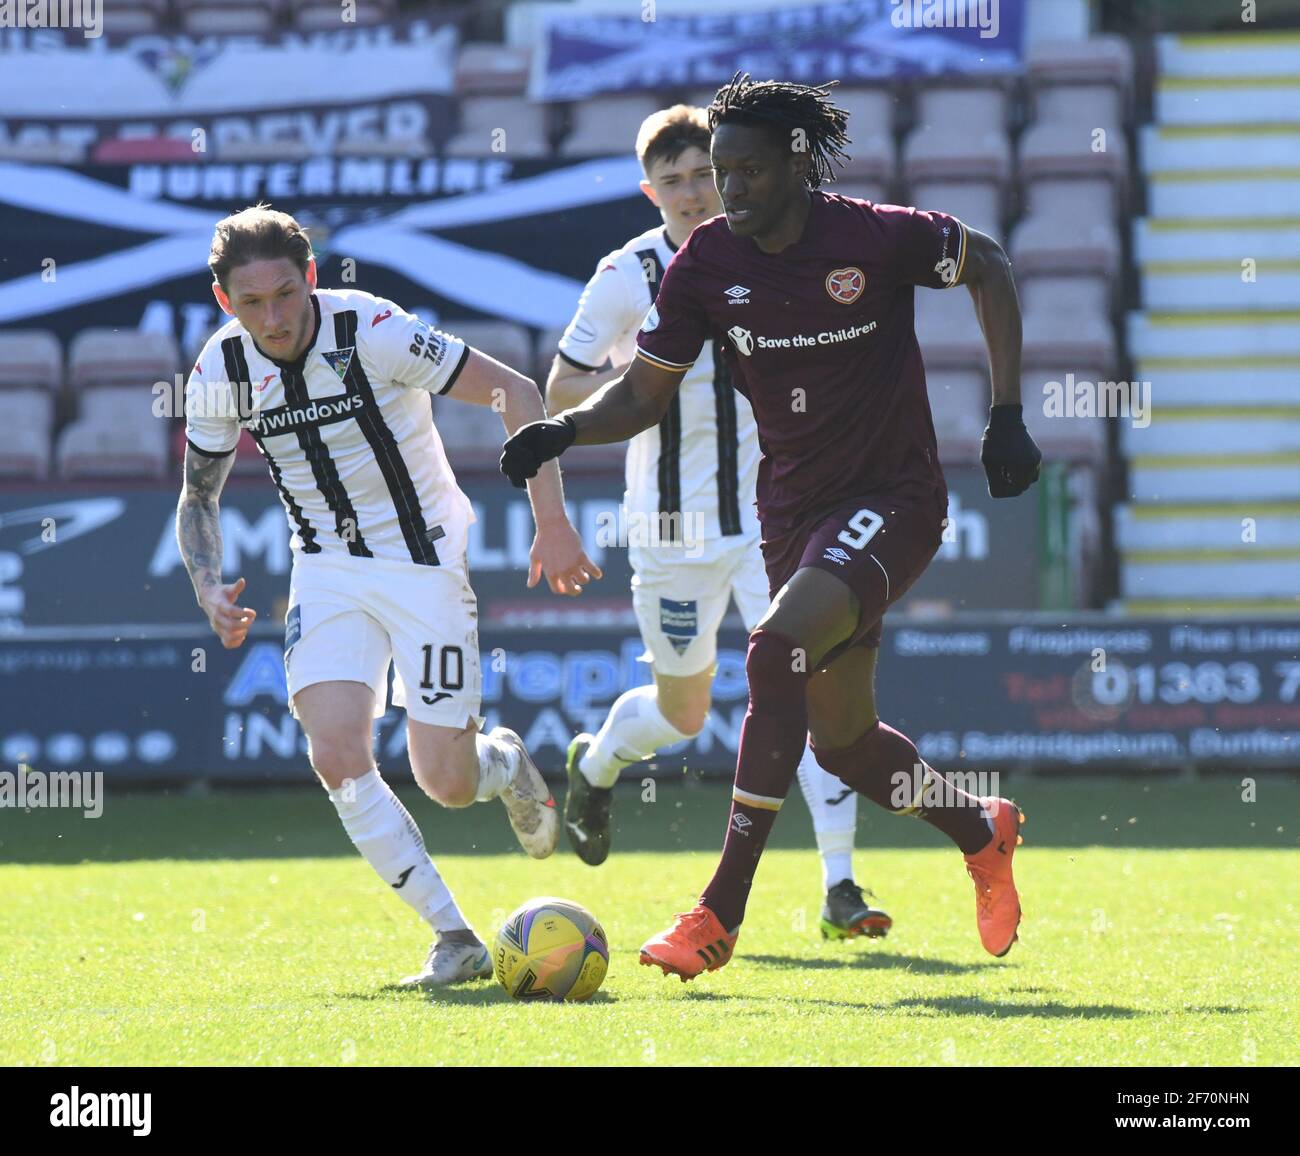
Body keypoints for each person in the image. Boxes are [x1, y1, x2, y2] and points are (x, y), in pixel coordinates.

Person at [502, 75, 1041, 981]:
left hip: (895, 498)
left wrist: (1009, 411)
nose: (732, 189)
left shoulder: (874, 236)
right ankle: (979, 829)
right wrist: (563, 428)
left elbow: (988, 262)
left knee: (771, 650)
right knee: (846, 746)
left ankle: (719, 911)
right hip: (790, 511)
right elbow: (642, 392)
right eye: (722, 171)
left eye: (748, 170)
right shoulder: (706, 262)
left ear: (797, 161)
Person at [178, 204, 601, 989]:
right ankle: (455, 937)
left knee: (446, 782)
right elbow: (198, 498)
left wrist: (553, 522)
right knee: (336, 753)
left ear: (311, 278)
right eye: (250, 304)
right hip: (327, 570)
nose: (271, 318)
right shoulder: (219, 372)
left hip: (425, 566)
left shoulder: (374, 329)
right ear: (223, 301)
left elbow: (514, 391)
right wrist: (207, 582)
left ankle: (503, 764)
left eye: (284, 295)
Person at [548, 103, 889, 941]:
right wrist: (639, 386)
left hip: (782, 517)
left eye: (706, 174)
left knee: (806, 688)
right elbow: (560, 388)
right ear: (649, 190)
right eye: (675, 182)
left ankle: (840, 885)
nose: (696, 193)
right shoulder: (628, 274)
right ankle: (594, 766)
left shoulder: (783, 246)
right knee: (684, 714)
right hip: (672, 527)